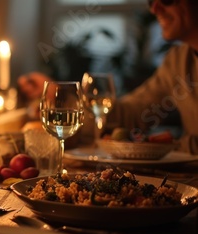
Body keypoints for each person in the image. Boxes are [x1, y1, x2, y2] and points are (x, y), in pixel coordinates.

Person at [18, 0, 198, 154]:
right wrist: (61, 96)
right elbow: (132, 113)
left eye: (167, 0)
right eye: (151, 1)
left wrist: (174, 146)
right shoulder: (179, 60)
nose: (154, 9)